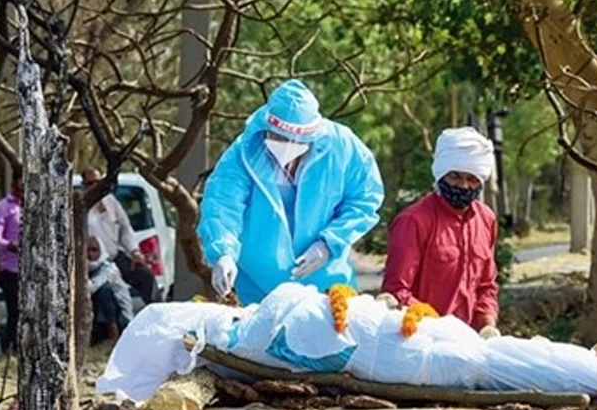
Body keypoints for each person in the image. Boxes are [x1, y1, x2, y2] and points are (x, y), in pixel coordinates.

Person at [197, 78, 384, 305]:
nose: (285, 145)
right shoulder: (245, 152)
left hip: (326, 282)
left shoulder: (342, 147)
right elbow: (222, 204)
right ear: (267, 128)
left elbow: (365, 198)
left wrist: (329, 243)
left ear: (312, 136)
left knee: (326, 336)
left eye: (294, 140)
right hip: (259, 287)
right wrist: (223, 252)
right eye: (277, 137)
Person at [380, 127, 500, 335]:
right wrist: (439, 327)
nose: (463, 186)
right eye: (455, 177)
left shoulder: (486, 220)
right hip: (424, 339)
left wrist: (487, 324)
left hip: (472, 341)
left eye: (472, 179)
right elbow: (396, 291)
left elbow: (486, 286)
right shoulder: (414, 221)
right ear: (441, 174)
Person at [82, 167, 159, 304]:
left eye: (97, 183)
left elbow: (125, 229)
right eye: (90, 183)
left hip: (114, 256)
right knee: (105, 291)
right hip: (92, 262)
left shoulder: (110, 202)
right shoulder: (81, 206)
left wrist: (135, 252)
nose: (94, 187)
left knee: (145, 275)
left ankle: (155, 313)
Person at [0, 177, 22, 355]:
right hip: (11, 268)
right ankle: (12, 347)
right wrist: (10, 245)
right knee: (15, 309)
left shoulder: (35, 205)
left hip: (32, 268)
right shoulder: (3, 207)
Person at [87, 236, 133, 345]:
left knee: (104, 291)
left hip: (121, 317)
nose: (90, 254)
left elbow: (92, 287)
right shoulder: (90, 269)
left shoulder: (109, 268)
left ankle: (113, 333)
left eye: (94, 250)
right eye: (87, 251)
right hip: (97, 318)